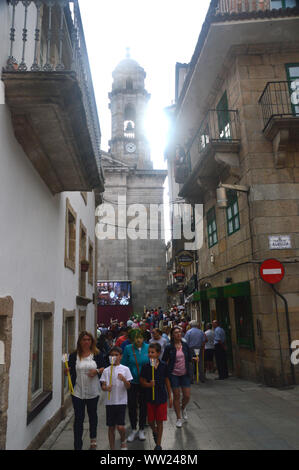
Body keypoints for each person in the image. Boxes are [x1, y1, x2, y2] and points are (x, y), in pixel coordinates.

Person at [67, 331, 107, 450]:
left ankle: (93, 440)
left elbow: (104, 367)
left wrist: (97, 371)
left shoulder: (97, 354)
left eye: (88, 340)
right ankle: (77, 445)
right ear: (80, 341)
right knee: (78, 418)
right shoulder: (74, 355)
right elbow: (69, 369)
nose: (86, 342)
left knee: (92, 415)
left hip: (93, 391)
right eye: (84, 340)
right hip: (77, 391)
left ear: (92, 341)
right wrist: (67, 372)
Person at [140, 343, 173, 451]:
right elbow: (142, 381)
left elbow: (167, 380)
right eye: (149, 352)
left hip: (161, 396)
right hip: (149, 397)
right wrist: (149, 384)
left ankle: (158, 444)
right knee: (150, 421)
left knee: (160, 421)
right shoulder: (146, 366)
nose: (150, 354)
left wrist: (170, 395)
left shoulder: (164, 365)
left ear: (158, 353)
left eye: (152, 352)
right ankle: (154, 431)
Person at [100, 347, 133, 450]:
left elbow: (128, 386)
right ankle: (112, 447)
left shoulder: (125, 369)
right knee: (111, 427)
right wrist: (106, 388)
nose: (114, 357)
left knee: (120, 426)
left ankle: (123, 440)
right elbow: (103, 386)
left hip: (121, 401)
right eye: (112, 355)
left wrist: (124, 380)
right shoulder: (106, 370)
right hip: (110, 402)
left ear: (121, 356)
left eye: (116, 355)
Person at [162, 327, 194, 428]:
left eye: (179, 332)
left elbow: (189, 358)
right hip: (174, 374)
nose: (178, 334)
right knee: (176, 396)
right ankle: (178, 418)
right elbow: (164, 360)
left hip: (185, 373)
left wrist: (194, 359)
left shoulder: (185, 345)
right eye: (176, 333)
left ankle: (183, 407)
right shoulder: (169, 347)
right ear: (172, 335)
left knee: (187, 396)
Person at [121, 329, 149, 442]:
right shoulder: (128, 349)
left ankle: (141, 428)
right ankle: (133, 428)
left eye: (140, 337)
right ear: (132, 339)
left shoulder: (148, 347)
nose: (138, 340)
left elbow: (153, 361)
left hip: (145, 382)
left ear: (143, 338)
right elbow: (124, 364)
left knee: (144, 405)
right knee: (132, 405)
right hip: (132, 382)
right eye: (136, 338)